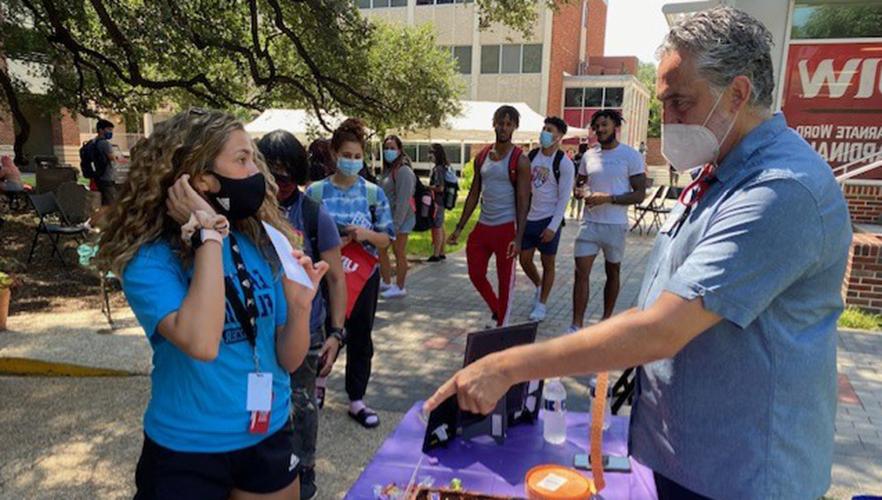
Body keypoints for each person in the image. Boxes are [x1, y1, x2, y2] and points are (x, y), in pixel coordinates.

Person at [425, 6, 852, 499]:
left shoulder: (780, 191)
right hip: (691, 458)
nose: (667, 121)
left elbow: (663, 329)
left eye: (680, 103)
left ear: (738, 93)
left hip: (745, 475)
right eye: (664, 104)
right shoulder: (719, 172)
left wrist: (507, 366)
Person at [97, 108, 328, 499]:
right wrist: (206, 233)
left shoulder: (260, 240)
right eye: (242, 159)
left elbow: (288, 361)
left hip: (266, 431)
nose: (257, 170)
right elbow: (202, 343)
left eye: (253, 157)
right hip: (187, 449)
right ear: (201, 179)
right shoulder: (150, 258)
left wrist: (301, 306)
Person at [256, 130, 347, 500]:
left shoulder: (311, 213)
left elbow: (337, 279)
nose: (281, 184)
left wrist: (336, 334)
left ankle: (304, 470)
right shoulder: (246, 210)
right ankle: (261, 465)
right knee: (259, 403)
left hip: (306, 330)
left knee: (302, 404)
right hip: (259, 335)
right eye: (272, 175)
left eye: (288, 175)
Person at [305, 118, 394, 429]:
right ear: (334, 152)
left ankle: (357, 398)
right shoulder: (315, 193)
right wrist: (330, 241)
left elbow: (387, 238)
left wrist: (364, 235)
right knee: (322, 329)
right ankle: (318, 385)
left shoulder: (373, 194)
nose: (352, 161)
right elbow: (302, 235)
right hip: (325, 274)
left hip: (363, 277)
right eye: (347, 154)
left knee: (360, 336)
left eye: (357, 156)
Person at [449, 105, 531, 327]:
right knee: (476, 273)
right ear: (493, 123)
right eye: (500, 123)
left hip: (507, 228)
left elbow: (524, 201)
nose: (503, 128)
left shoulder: (520, 160)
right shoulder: (483, 156)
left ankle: (501, 327)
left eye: (508, 124)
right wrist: (459, 228)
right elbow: (474, 193)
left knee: (506, 283)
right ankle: (496, 309)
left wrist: (519, 238)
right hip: (483, 226)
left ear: (515, 127)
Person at [569, 109, 646, 331]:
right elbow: (580, 182)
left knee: (612, 272)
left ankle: (606, 321)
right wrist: (578, 191)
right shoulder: (589, 155)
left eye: (605, 125)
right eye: (597, 127)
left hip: (615, 226)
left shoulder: (631, 155)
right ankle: (576, 325)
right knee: (580, 273)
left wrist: (608, 198)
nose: (600, 130)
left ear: (616, 127)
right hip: (589, 224)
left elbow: (639, 194)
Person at [520, 117, 575, 322]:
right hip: (529, 219)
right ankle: (538, 285)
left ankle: (541, 304)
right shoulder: (532, 155)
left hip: (548, 219)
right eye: (543, 128)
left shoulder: (564, 163)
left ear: (559, 136)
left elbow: (563, 198)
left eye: (549, 130)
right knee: (524, 259)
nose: (544, 132)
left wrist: (553, 226)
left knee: (547, 262)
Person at [378, 135, 415, 299]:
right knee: (382, 249)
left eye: (392, 148)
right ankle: (386, 281)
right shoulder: (388, 170)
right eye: (386, 147)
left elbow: (403, 200)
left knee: (399, 251)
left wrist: (396, 224)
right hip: (388, 219)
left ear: (400, 150)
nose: (388, 151)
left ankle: (400, 286)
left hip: (401, 219)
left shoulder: (404, 171)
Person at [427, 143, 454, 262]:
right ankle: (442, 252)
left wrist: (428, 187)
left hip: (438, 201)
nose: (429, 155)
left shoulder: (438, 169)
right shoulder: (445, 167)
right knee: (441, 225)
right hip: (442, 201)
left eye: (431, 152)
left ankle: (436, 254)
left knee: (436, 227)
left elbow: (440, 188)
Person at [91, 118, 118, 205]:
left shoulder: (94, 142)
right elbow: (112, 158)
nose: (110, 132)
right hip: (107, 177)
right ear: (101, 130)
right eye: (109, 129)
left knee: (104, 202)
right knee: (112, 203)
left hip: (99, 176)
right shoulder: (105, 144)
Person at [568, 143, 588, 220]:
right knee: (581, 197)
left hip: (575, 178)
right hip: (583, 180)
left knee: (574, 195)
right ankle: (578, 214)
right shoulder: (586, 158)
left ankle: (572, 210)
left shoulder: (575, 157)